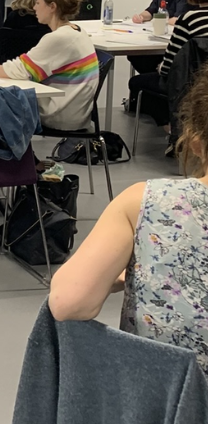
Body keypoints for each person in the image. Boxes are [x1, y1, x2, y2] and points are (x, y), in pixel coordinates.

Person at [48, 68, 208, 374]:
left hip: (168, 402)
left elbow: (68, 303)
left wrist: (120, 276)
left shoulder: (146, 202)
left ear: (196, 144)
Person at [0, 0, 100, 132]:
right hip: (75, 112)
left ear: (52, 7)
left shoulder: (59, 38)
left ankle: (14, 156)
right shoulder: (77, 31)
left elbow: (20, 70)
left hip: (60, 115)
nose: (34, 7)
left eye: (37, 2)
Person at [127, 0, 208, 150]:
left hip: (189, 83)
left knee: (138, 83)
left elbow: (171, 64)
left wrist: (160, 68)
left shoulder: (188, 19)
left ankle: (172, 128)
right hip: (204, 82)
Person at [128, 0, 190, 76]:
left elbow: (177, 19)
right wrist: (141, 16)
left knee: (142, 59)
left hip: (171, 46)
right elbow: (151, 10)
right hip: (158, 38)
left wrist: (161, 20)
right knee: (134, 56)